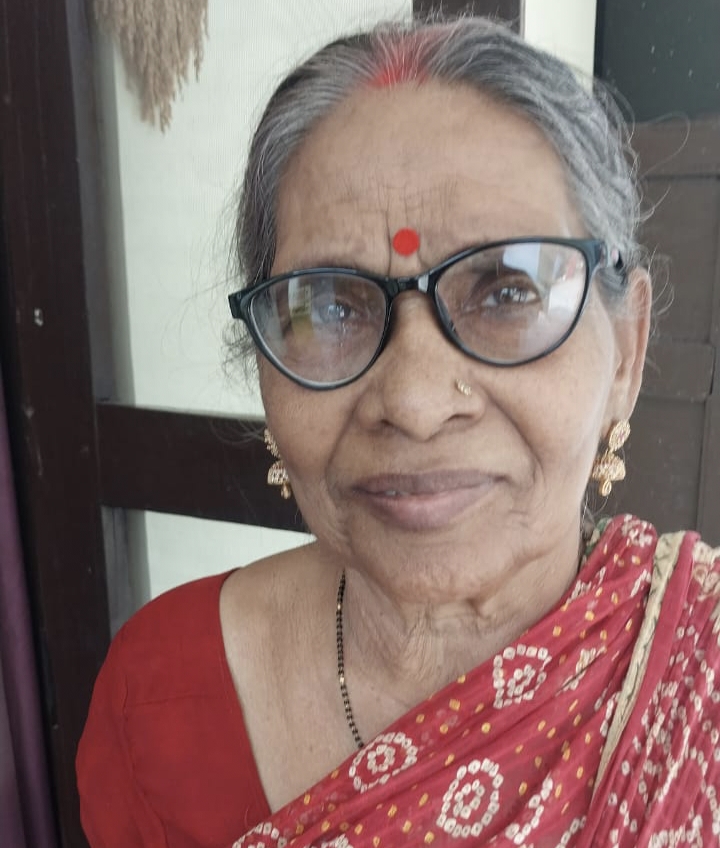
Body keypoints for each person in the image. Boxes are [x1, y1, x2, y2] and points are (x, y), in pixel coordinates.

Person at [77, 15, 720, 848]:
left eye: (506, 292)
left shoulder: (697, 677)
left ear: (626, 352)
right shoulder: (160, 697)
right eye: (330, 307)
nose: (415, 403)